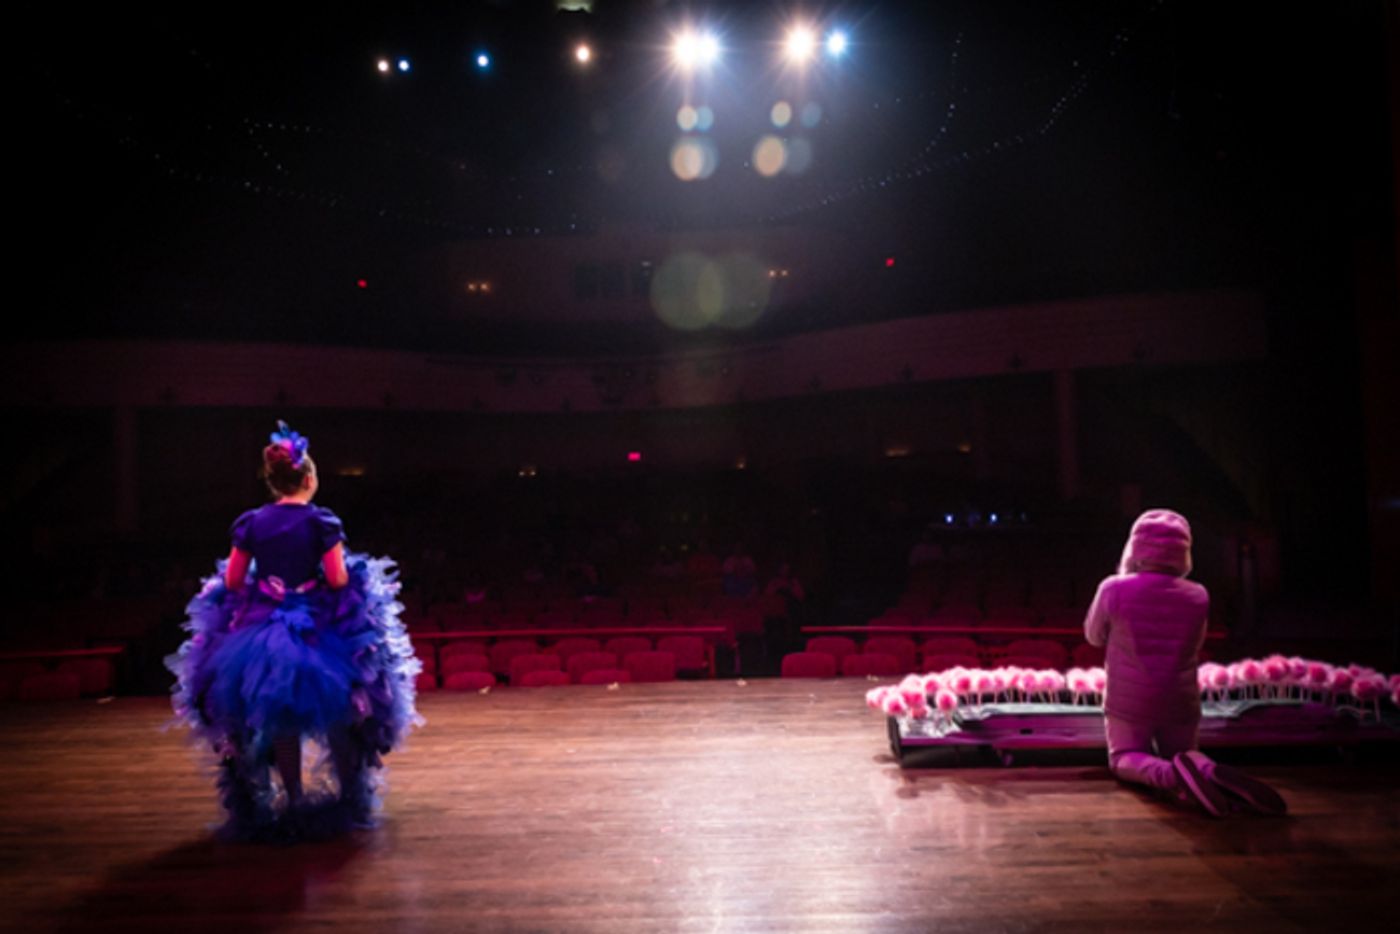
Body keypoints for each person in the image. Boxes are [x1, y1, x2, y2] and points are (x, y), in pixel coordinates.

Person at [167, 421, 421, 841]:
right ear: (308, 479)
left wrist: (269, 584)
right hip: (317, 627)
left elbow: (233, 580)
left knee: (280, 719)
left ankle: (294, 797)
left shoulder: (251, 522)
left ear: (273, 482)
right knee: (340, 709)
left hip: (261, 630)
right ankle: (351, 794)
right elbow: (337, 579)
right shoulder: (322, 521)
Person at [1085, 509, 1285, 817]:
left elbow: (1093, 636)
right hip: (1181, 699)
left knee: (1125, 757)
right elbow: (1196, 643)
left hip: (1130, 701)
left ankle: (1171, 776)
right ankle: (1206, 769)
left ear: (1135, 546)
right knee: (1186, 754)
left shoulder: (1114, 588)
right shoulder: (1198, 595)